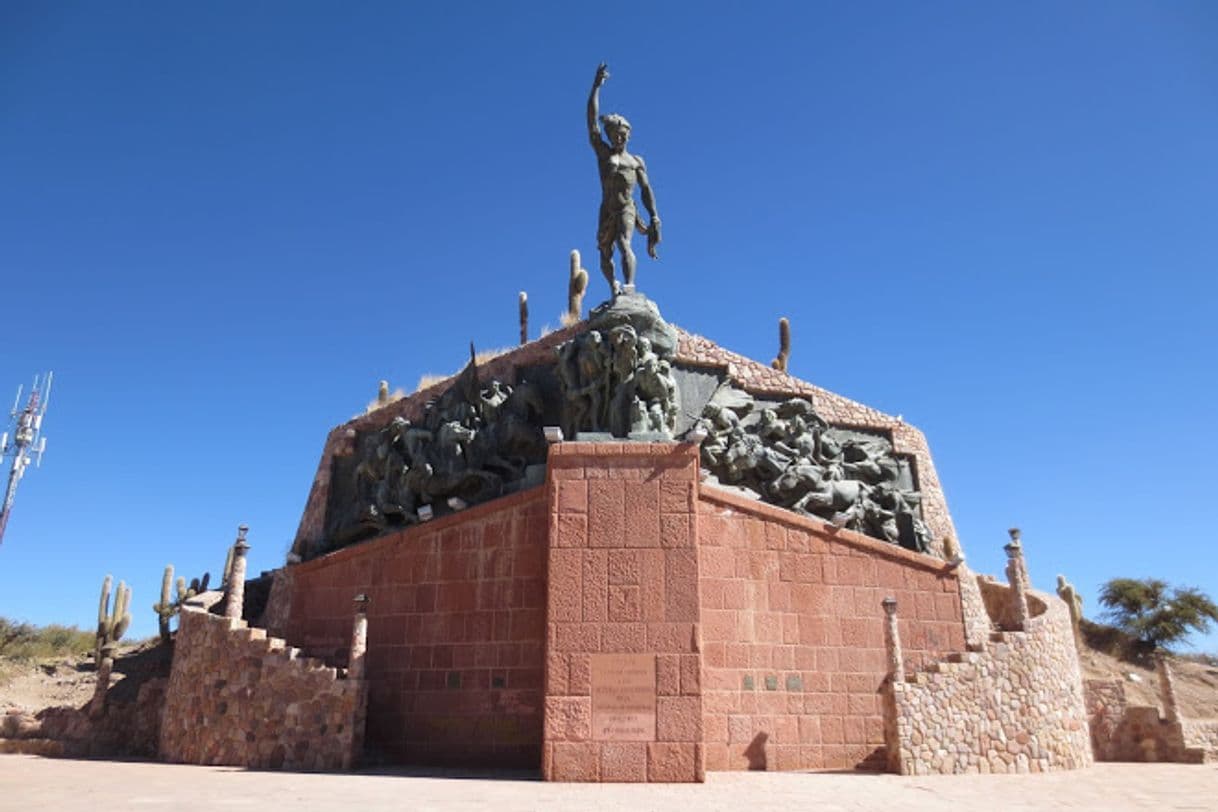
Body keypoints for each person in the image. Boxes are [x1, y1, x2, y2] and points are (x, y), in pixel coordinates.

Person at [587, 63, 660, 295]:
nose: (619, 137)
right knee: (604, 252)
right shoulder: (604, 154)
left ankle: (629, 285)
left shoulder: (636, 161)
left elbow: (646, 189)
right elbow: (591, 124)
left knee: (623, 241)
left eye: (622, 134)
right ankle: (614, 286)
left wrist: (654, 216)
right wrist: (596, 88)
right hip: (606, 208)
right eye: (614, 134)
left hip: (627, 208)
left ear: (628, 135)